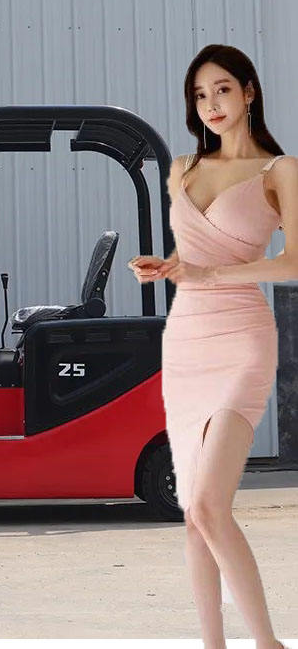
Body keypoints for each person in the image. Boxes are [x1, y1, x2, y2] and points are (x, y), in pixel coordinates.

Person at [127, 44, 294, 649]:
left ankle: (268, 643)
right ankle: (212, 644)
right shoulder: (182, 169)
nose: (211, 104)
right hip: (187, 342)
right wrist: (169, 266)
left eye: (222, 89)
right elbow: (196, 255)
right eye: (200, 95)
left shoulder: (280, 171)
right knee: (194, 517)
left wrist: (209, 275)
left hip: (243, 340)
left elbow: (292, 262)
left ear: (249, 92)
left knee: (208, 504)